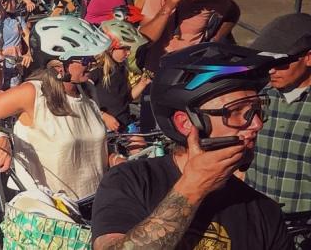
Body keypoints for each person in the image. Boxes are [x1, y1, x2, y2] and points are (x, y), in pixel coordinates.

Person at [91, 42, 292, 249]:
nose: (257, 124)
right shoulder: (132, 181)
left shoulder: (264, 211)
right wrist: (193, 188)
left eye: (257, 110)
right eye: (236, 111)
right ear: (185, 123)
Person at [0, 15, 111, 200]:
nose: (92, 62)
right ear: (59, 65)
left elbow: (89, 152)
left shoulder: (88, 90)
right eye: (84, 59)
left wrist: (114, 158)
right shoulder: (32, 93)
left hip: (95, 204)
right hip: (52, 215)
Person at [246, 13, 311, 219]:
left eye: (282, 62)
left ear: (308, 57)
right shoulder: (255, 98)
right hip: (257, 225)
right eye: (267, 61)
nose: (272, 70)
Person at [91, 19, 152, 131]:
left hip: (124, 123)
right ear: (110, 48)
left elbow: (126, 99)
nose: (128, 53)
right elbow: (83, 101)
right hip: (103, 127)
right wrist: (103, 116)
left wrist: (143, 84)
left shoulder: (121, 69)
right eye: (125, 48)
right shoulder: (96, 71)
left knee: (144, 146)